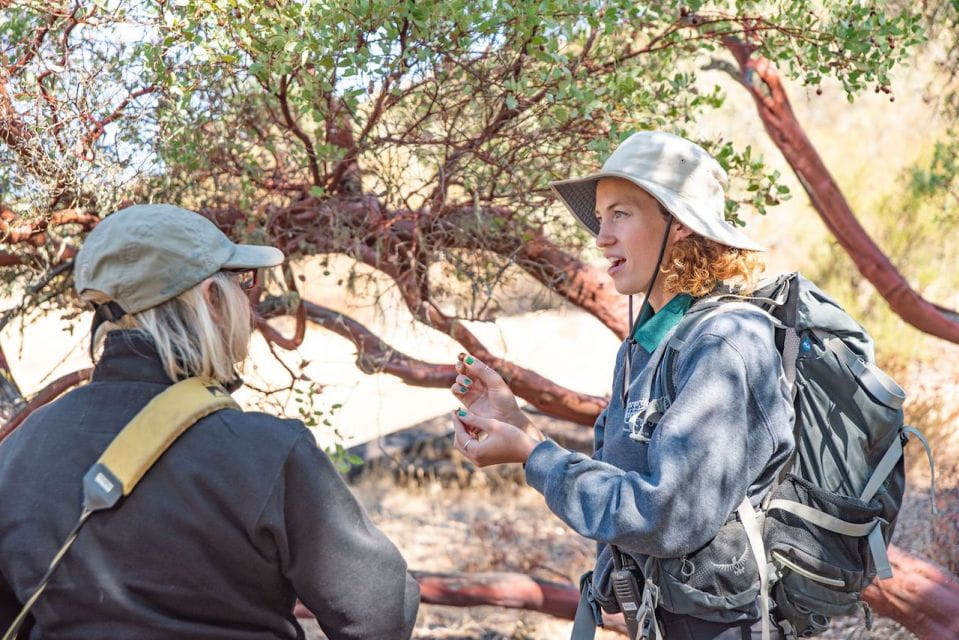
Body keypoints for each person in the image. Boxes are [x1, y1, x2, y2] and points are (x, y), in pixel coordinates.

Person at [0, 204, 419, 640]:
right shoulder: (268, 452)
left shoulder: (19, 450)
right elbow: (382, 616)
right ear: (211, 300)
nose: (247, 299)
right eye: (240, 282)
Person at [450, 132, 795, 639]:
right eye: (601, 217)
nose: (600, 237)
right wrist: (519, 425)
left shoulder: (724, 343)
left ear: (677, 225)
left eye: (620, 214)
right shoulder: (647, 343)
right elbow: (624, 481)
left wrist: (532, 458)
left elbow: (668, 516)